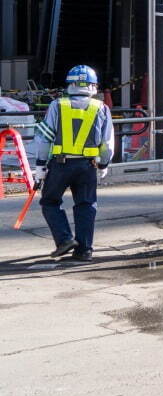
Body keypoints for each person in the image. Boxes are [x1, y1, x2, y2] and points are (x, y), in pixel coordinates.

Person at [31, 65, 114, 262]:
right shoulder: (101, 108)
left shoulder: (57, 105)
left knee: (50, 202)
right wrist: (103, 165)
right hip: (88, 166)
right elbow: (107, 143)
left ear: (70, 84)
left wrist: (40, 166)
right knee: (86, 205)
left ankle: (65, 239)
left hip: (60, 165)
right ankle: (84, 250)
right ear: (93, 86)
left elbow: (44, 139)